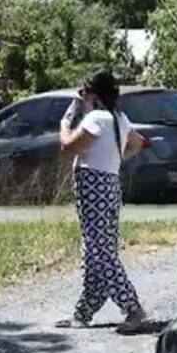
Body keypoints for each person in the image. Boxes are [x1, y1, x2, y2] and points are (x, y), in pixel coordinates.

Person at [56, 70, 149, 331]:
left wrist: (66, 122)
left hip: (92, 185)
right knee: (94, 250)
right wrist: (116, 158)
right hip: (110, 184)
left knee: (99, 252)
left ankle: (133, 308)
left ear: (94, 95)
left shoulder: (96, 117)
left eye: (86, 94)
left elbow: (68, 145)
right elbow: (138, 143)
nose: (83, 98)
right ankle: (82, 314)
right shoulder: (119, 118)